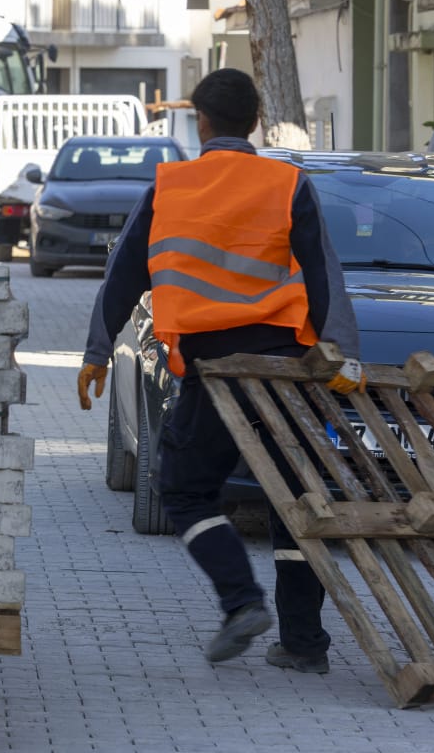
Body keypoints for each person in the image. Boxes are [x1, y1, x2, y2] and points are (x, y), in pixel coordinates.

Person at [77, 69, 360, 671]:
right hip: (285, 369)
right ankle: (305, 645)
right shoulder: (288, 183)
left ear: (201, 121)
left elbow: (124, 272)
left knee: (183, 487)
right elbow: (323, 274)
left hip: (213, 369)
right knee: (297, 498)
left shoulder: (171, 186)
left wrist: (98, 353)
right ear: (255, 121)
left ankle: (240, 601)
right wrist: (344, 354)